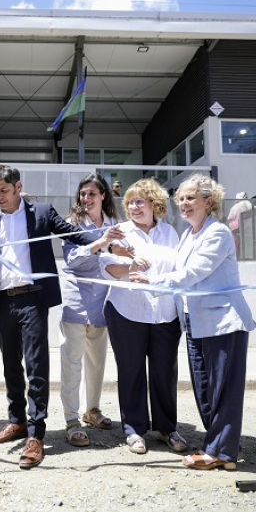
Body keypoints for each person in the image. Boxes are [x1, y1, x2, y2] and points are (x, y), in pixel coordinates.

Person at [0, 164, 123, 469]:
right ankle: (17, 422)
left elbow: (72, 233)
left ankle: (37, 434)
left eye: (4, 190)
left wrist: (101, 238)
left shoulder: (40, 213)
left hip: (33, 301)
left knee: (36, 368)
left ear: (17, 187)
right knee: (10, 366)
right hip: (4, 302)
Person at [129, 173, 256, 470]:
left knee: (222, 389)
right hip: (195, 323)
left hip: (223, 322)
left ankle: (220, 452)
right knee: (204, 389)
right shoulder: (188, 234)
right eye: (181, 199)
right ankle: (221, 447)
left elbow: (193, 274)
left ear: (208, 201)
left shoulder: (218, 233)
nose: (184, 204)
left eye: (191, 198)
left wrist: (152, 280)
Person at [101, 179, 185, 455]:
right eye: (130, 202)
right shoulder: (119, 232)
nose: (134, 207)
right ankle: (134, 430)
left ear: (154, 203)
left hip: (165, 313)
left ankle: (166, 428)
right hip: (127, 311)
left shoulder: (171, 233)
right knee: (131, 371)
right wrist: (130, 267)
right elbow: (108, 267)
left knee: (164, 372)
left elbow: (179, 269)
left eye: (140, 201)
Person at [59, 174, 119, 447]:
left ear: (103, 195)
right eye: (83, 194)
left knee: (96, 362)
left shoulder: (115, 225)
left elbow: (119, 255)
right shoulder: (71, 224)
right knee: (71, 363)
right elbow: (73, 260)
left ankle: (92, 410)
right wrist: (99, 243)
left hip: (101, 304)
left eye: (92, 193)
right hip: (75, 303)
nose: (86, 198)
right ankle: (72, 420)